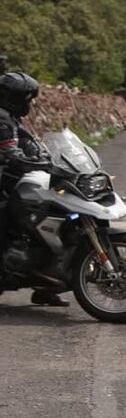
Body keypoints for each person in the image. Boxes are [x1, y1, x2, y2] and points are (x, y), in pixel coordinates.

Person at [0, 72, 67, 306]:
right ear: (12, 97)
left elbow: (30, 146)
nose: (28, 104)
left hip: (11, 181)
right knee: (9, 216)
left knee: (42, 224)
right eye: (25, 98)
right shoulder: (2, 119)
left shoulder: (13, 118)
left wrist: (49, 157)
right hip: (3, 185)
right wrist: (39, 163)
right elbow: (12, 155)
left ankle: (45, 285)